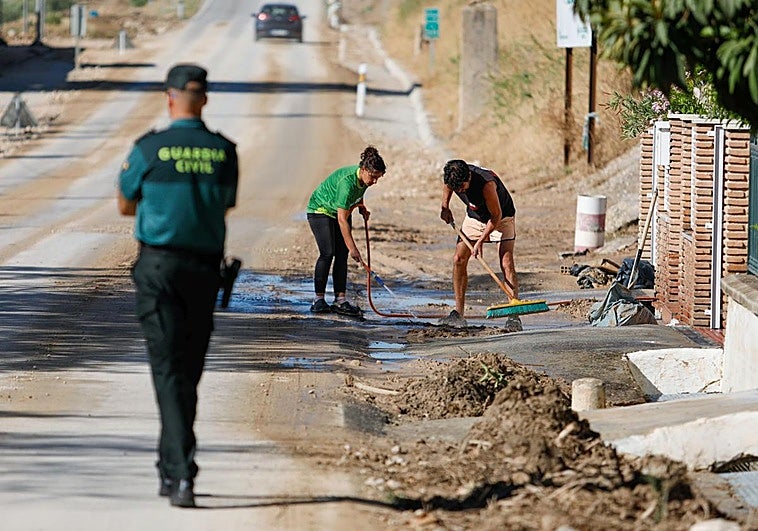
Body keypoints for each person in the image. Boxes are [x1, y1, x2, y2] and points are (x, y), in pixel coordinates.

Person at [117, 63, 238, 508]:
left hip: (159, 269)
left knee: (169, 371)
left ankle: (180, 471)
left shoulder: (149, 148)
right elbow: (222, 205)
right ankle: (174, 468)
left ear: (169, 98)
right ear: (204, 98)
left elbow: (125, 205)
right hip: (205, 271)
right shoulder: (224, 151)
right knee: (187, 372)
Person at [306, 145, 386, 317]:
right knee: (328, 252)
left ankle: (340, 300)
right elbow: (342, 220)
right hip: (321, 210)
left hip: (341, 210)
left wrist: (361, 206)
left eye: (377, 179)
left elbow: (359, 191)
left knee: (341, 255)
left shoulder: (364, 179)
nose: (374, 182)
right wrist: (353, 248)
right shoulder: (347, 182)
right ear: (363, 169)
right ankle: (318, 299)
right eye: (373, 177)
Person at [439, 159, 518, 327]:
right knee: (458, 259)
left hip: (501, 217)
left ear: (468, 176)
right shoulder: (453, 178)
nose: (459, 191)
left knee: (506, 262)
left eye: (462, 187)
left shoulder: (486, 184)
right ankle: (458, 314)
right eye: (456, 188)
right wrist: (445, 206)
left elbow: (495, 216)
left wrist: (480, 241)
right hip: (475, 218)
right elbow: (448, 186)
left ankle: (514, 313)